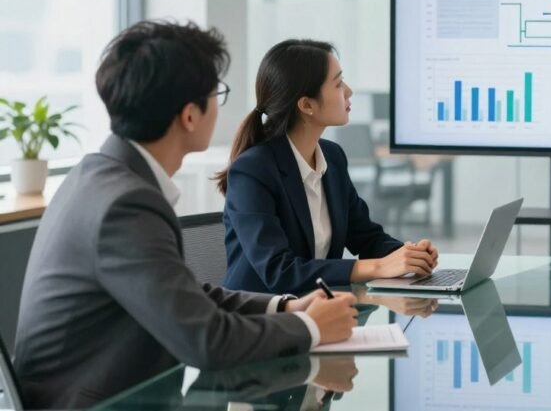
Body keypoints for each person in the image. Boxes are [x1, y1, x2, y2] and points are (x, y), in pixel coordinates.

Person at [14, 21, 359, 410]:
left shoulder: (105, 176)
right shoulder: (123, 204)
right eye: (216, 93)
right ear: (190, 116)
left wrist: (284, 306)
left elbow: (186, 295)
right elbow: (206, 342)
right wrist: (310, 327)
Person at [217, 39, 438, 294]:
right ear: (307, 105)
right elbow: (280, 271)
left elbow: (365, 236)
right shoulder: (253, 170)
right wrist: (377, 268)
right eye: (338, 83)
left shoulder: (332, 157)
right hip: (262, 320)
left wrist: (408, 254)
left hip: (318, 311)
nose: (349, 91)